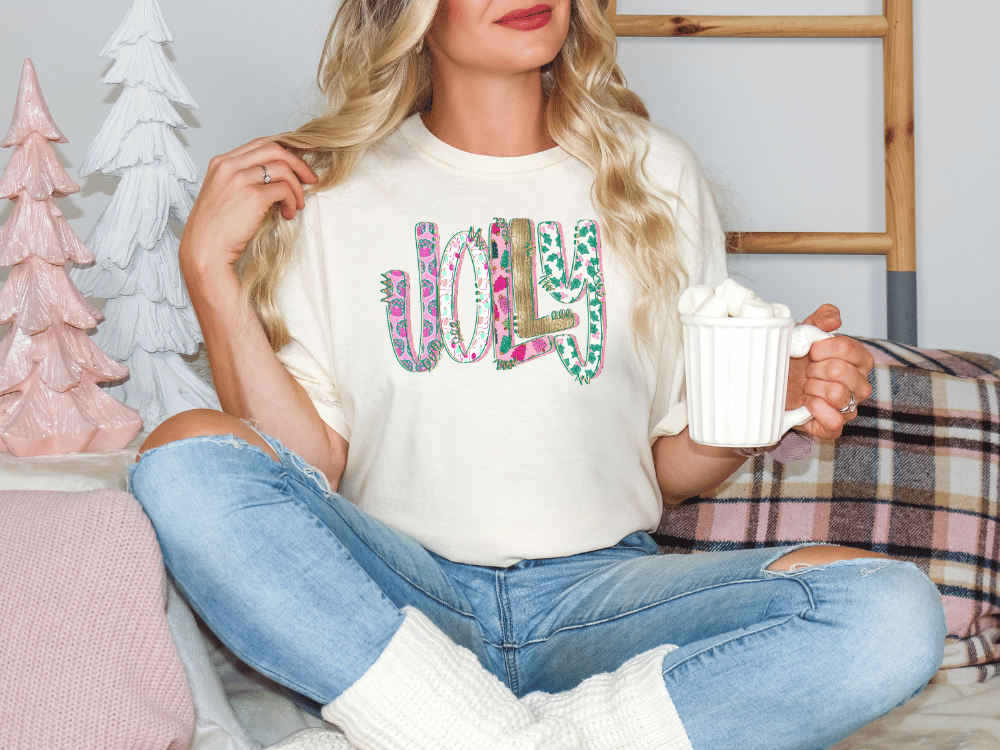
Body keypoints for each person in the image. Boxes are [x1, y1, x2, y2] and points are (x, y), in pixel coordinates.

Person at [130, 1, 946, 748]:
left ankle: (472, 734)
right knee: (183, 454)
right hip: (406, 601)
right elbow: (312, 468)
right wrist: (208, 269)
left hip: (602, 602)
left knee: (891, 614)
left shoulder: (654, 175)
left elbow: (669, 471)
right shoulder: (336, 194)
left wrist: (768, 406)